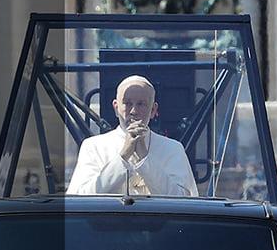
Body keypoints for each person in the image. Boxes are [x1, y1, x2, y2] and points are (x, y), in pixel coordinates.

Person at [66, 75, 198, 197]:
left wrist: (145, 158)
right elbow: (81, 197)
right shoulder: (93, 147)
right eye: (127, 103)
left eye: (141, 104)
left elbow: (183, 200)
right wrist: (123, 156)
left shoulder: (173, 149)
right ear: (116, 108)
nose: (134, 111)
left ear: (153, 110)